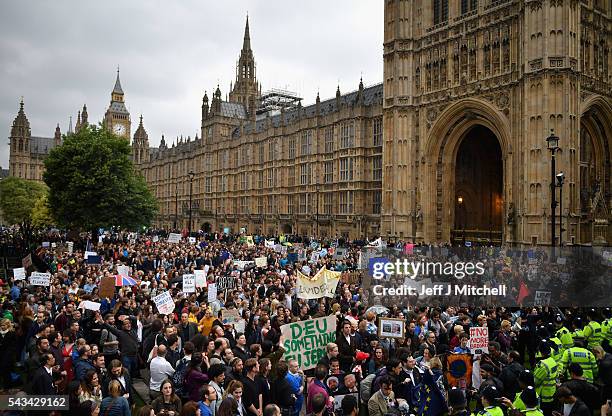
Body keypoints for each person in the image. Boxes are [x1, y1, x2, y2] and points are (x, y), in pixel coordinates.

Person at [534, 343, 559, 416]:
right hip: (552, 393)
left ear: (541, 352)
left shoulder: (543, 365)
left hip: (543, 397)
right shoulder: (552, 361)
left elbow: (535, 381)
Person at [0, 318, 17, 392]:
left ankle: (7, 387)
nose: (2, 327)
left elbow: (13, 346)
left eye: (3, 325)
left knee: (6, 372)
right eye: (1, 325)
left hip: (8, 357)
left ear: (8, 325)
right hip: (1, 355)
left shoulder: (12, 333)